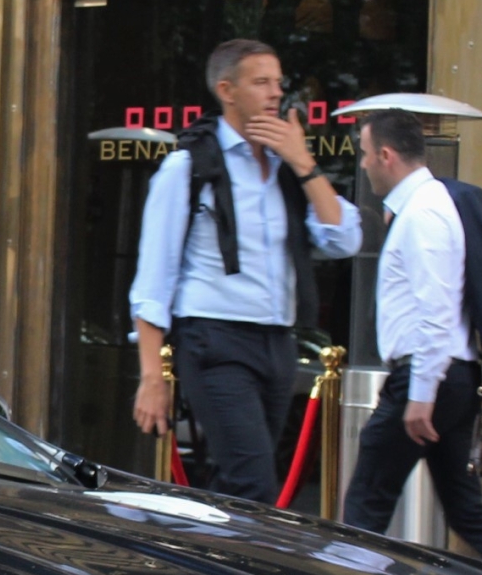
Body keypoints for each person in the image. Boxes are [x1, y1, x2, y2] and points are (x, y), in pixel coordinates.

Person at [130, 39, 362, 500]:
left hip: (277, 341)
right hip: (215, 338)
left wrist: (304, 163)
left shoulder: (285, 167)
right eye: (261, 82)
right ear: (227, 90)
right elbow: (154, 277)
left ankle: (204, 560)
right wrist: (152, 376)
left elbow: (343, 239)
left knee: (242, 483)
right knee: (252, 479)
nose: (276, 93)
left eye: (278, 82)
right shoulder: (188, 166)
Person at [340, 109, 482, 573]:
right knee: (466, 509)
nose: (365, 164)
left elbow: (437, 312)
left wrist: (420, 395)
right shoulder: (424, 207)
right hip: (448, 376)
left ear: (386, 155)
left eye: (367, 155)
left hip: (430, 375)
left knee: (366, 503)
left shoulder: (424, 213)